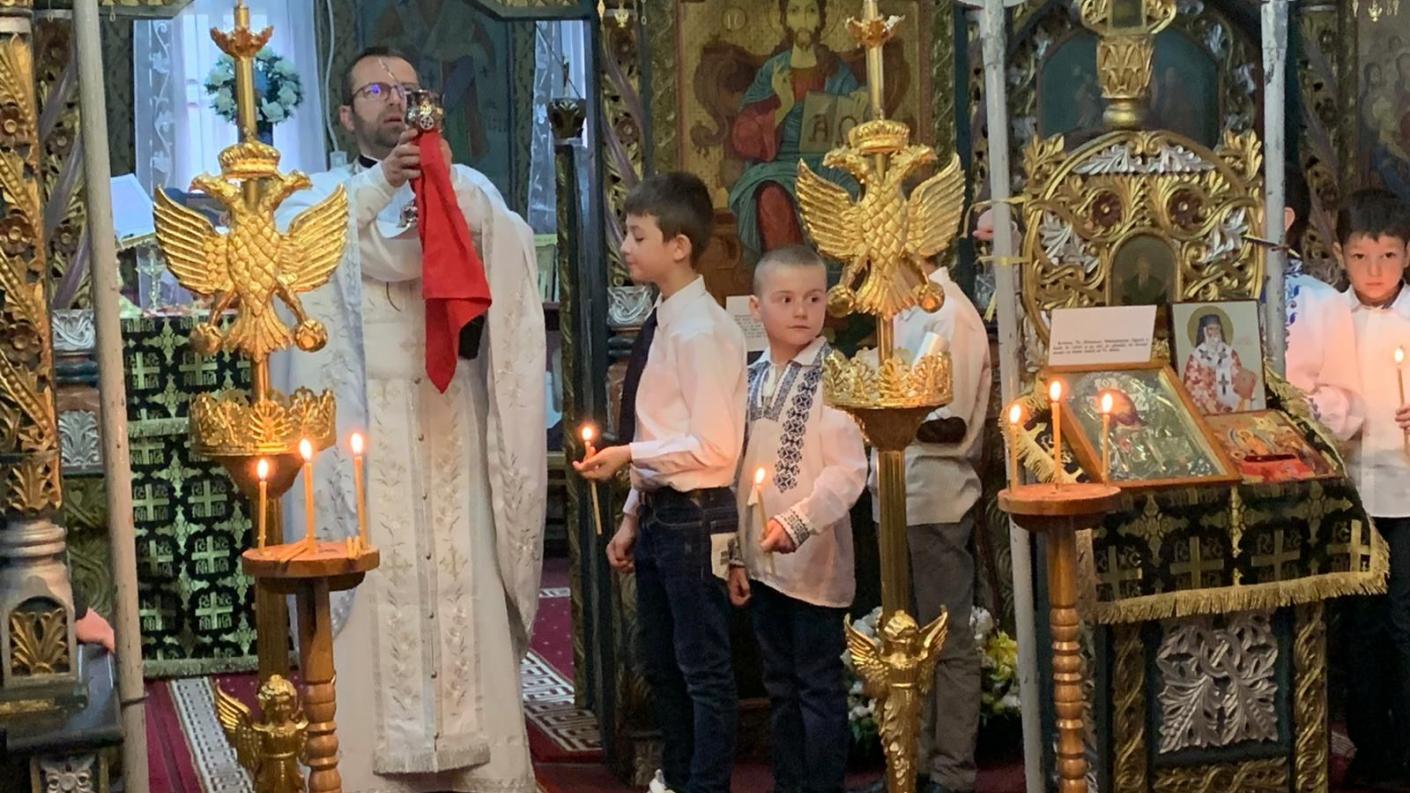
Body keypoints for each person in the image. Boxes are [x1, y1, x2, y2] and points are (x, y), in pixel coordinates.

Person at [273, 46, 546, 793]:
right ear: (345, 115)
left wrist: (443, 189)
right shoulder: (323, 196)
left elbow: (507, 254)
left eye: (407, 88)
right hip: (365, 428)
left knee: (463, 580)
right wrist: (382, 185)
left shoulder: (467, 188)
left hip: (449, 413)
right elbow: (300, 256)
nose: (394, 99)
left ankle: (482, 768)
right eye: (375, 90)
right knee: (373, 586)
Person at [575, 172, 747, 793]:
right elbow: (660, 429)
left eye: (637, 234)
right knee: (665, 668)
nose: (625, 246)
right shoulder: (667, 318)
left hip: (697, 516)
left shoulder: (701, 331)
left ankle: (705, 784)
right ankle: (676, 778)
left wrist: (627, 455)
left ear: (679, 246)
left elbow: (715, 445)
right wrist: (630, 513)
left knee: (703, 671)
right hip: (662, 514)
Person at [726, 246, 867, 793]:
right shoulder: (750, 378)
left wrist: (799, 522)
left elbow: (848, 471)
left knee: (816, 686)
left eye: (813, 298)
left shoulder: (836, 377)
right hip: (762, 564)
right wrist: (737, 555)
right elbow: (738, 475)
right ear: (756, 308)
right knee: (779, 686)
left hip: (813, 565)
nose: (801, 311)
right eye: (785, 300)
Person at [867, 255, 991, 793]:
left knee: (945, 641)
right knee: (903, 641)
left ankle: (951, 772)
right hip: (896, 495)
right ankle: (908, 767)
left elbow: (950, 422)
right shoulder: (904, 313)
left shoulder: (949, 316)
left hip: (934, 497)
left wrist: (877, 414)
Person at [1337, 188, 1410, 790]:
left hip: (1408, 495)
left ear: (1408, 254)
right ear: (1341, 256)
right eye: (1361, 257)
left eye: (1388, 255)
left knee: (1404, 622)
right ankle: (1370, 744)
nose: (1376, 271)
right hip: (1350, 494)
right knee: (1359, 623)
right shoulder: (1326, 317)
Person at [728, 0, 867, 256]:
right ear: (784, 20)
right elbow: (743, 136)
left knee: (851, 192)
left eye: (810, 11)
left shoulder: (835, 70)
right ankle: (788, 272)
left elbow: (856, 123)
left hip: (828, 165)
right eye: (795, 11)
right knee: (770, 195)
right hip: (783, 165)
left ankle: (836, 277)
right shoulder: (773, 71)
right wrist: (784, 106)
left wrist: (862, 99)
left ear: (821, 19)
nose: (803, 20)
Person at [1281, 166, 1363, 440]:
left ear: (1283, 219)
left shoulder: (1321, 301)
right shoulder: (1209, 294)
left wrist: (1298, 408)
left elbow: (1347, 401)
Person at [1181, 312, 1254, 415]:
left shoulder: (1230, 353)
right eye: (1210, 329)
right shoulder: (1196, 357)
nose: (1214, 332)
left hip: (1231, 408)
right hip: (1205, 408)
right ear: (1204, 331)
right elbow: (1191, 385)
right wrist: (1208, 403)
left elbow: (1239, 378)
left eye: (1217, 329)